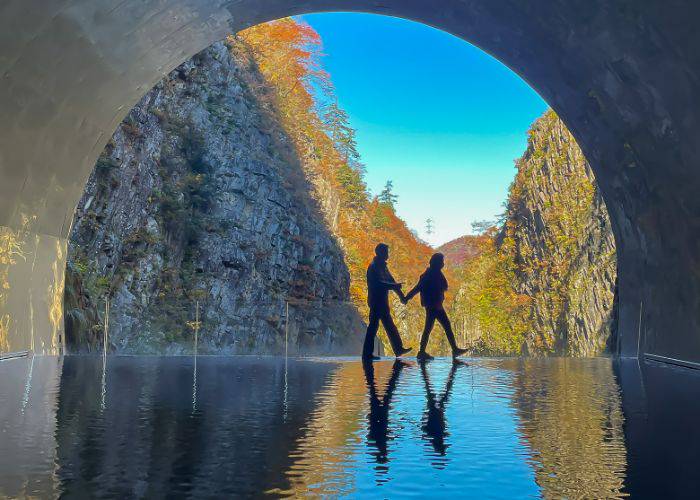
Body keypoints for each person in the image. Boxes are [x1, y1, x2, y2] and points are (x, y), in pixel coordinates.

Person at [403, 253, 468, 360]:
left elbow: (419, 288)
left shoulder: (434, 273)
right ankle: (425, 352)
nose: (443, 263)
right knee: (439, 327)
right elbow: (418, 288)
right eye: (442, 261)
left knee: (433, 328)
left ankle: (424, 352)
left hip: (435, 305)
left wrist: (406, 298)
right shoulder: (430, 275)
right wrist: (407, 298)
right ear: (437, 263)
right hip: (434, 305)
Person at [363, 243, 412, 360]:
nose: (387, 255)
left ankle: (398, 349)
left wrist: (401, 297)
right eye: (386, 252)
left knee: (388, 325)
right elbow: (379, 284)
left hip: (382, 302)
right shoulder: (373, 267)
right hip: (376, 302)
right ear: (380, 253)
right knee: (374, 327)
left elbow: (392, 281)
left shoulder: (382, 267)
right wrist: (396, 288)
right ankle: (367, 354)